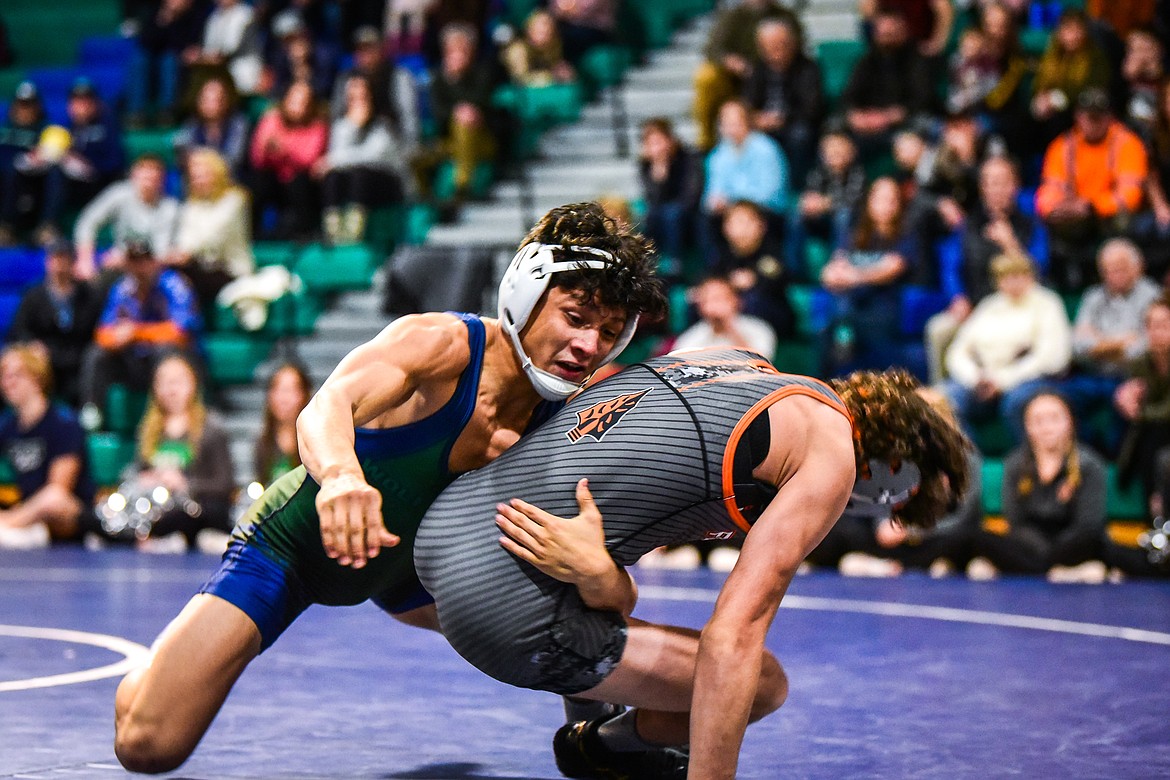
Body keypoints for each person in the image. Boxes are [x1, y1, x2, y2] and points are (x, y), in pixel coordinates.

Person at [112, 202, 667, 773]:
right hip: (293, 549)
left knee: (577, 598)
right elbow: (326, 406)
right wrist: (342, 476)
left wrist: (602, 577)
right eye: (576, 318)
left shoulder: (570, 421)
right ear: (526, 295)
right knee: (148, 746)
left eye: (607, 332)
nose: (589, 346)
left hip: (417, 578)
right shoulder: (441, 345)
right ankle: (154, 676)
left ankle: (596, 735)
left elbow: (613, 589)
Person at [415, 358, 970, 779]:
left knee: (617, 589)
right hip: (501, 609)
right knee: (764, 685)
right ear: (889, 468)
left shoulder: (739, 363)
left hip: (445, 529)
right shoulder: (831, 454)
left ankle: (588, 735)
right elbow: (732, 637)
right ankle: (600, 744)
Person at [924, 155, 1046, 383]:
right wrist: (958, 298)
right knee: (938, 330)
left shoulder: (1031, 225)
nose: (997, 189)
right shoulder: (969, 225)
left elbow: (1038, 274)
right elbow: (951, 268)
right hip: (976, 308)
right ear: (983, 188)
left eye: (1003, 182)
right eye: (991, 182)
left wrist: (1010, 244)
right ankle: (941, 400)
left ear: (1015, 186)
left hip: (1019, 310)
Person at [967, 391, 1109, 582]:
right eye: (1038, 421)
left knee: (1096, 541)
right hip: (1029, 544)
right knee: (977, 537)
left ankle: (1022, 567)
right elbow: (1016, 522)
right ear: (1026, 426)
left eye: (1054, 419)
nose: (1047, 427)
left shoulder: (1090, 465)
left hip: (1073, 545)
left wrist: (1053, 550)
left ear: (1071, 422)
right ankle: (1060, 572)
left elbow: (1088, 525)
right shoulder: (1015, 464)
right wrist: (1045, 553)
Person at [940, 252, 1072, 442]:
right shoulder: (989, 306)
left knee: (1017, 402)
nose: (1013, 282)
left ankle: (1027, 462)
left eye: (1019, 276)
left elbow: (1051, 358)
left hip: (1029, 379)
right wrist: (976, 378)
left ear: (1031, 276)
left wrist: (1002, 380)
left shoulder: (1047, 303)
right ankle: (968, 458)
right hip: (983, 380)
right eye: (1006, 277)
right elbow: (958, 352)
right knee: (944, 398)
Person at [1035, 87, 1148, 293]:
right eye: (1088, 116)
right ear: (1078, 116)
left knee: (1123, 222)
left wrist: (1091, 205)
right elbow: (1049, 189)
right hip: (1075, 217)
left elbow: (1129, 196)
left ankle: (1118, 283)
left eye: (1098, 116)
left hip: (1109, 218)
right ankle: (1065, 287)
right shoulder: (1063, 146)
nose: (1093, 122)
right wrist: (1054, 208)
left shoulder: (1127, 143)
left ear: (1109, 117)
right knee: (1049, 225)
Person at [79, 240, 202, 429]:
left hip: (179, 361)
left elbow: (180, 333)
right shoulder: (122, 289)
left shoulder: (173, 285)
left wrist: (136, 333)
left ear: (154, 262)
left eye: (144, 261)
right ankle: (93, 418)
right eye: (134, 261)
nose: (140, 268)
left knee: (165, 351)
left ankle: (169, 420)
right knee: (97, 354)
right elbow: (102, 333)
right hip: (135, 363)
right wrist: (117, 338)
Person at [127, 352, 235, 551]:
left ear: (192, 385)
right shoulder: (148, 430)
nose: (171, 390)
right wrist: (148, 479)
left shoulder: (212, 428)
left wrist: (185, 484)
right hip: (159, 507)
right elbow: (137, 472)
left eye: (177, 382)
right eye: (164, 383)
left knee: (195, 514)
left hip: (196, 506)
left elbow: (224, 484)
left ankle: (182, 536)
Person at [819, 177, 918, 376]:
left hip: (883, 308)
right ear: (869, 201)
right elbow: (830, 272)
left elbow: (892, 268)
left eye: (891, 200)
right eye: (880, 198)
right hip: (852, 304)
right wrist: (836, 275)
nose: (885, 206)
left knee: (847, 322)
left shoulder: (905, 235)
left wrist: (854, 276)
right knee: (831, 324)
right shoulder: (855, 235)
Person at [0, 343, 94, 550]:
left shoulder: (64, 423)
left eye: (16, 375)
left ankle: (8, 527)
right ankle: (20, 530)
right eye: (4, 376)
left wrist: (11, 517)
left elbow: (59, 489)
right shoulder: (7, 426)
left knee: (53, 498)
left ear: (37, 379)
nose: (7, 383)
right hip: (29, 512)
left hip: (68, 515)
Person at [6, 241, 102, 406]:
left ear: (72, 262)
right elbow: (19, 330)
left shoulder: (89, 296)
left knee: (94, 360)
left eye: (64, 259)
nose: (59, 265)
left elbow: (96, 331)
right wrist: (32, 345)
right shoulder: (33, 296)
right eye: (55, 259)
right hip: (44, 360)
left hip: (78, 360)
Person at [316, 74, 407, 245]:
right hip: (352, 183)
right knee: (333, 177)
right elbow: (339, 154)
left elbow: (373, 156)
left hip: (386, 183)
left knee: (360, 174)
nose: (357, 102)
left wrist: (332, 161)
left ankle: (352, 235)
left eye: (362, 97)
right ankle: (334, 235)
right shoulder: (342, 126)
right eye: (352, 98)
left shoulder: (384, 125)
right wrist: (353, 127)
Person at [166, 147, 254, 308]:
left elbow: (214, 235)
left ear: (218, 173)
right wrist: (178, 253)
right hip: (200, 266)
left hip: (230, 269)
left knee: (183, 277)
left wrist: (185, 252)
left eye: (205, 175)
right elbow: (185, 236)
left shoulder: (235, 199)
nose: (199, 180)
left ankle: (186, 325)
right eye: (195, 176)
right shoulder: (191, 205)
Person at [742, 17, 823, 187]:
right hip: (765, 125)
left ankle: (794, 185)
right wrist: (756, 118)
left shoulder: (808, 68)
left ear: (792, 43)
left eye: (781, 44)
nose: (775, 50)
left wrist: (780, 119)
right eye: (770, 46)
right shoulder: (759, 70)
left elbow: (811, 109)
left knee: (800, 136)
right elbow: (748, 103)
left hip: (795, 124)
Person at [73, 154, 181, 279]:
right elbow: (87, 222)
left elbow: (162, 250)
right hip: (120, 265)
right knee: (90, 280)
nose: (149, 176)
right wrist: (85, 260)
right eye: (144, 171)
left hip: (156, 269)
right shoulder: (119, 194)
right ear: (133, 174)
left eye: (155, 172)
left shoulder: (170, 207)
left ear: (162, 180)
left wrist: (133, 262)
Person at [248, 80, 329, 240]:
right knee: (258, 181)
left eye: (304, 102)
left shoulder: (317, 126)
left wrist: (283, 150)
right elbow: (258, 158)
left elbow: (309, 160)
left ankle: (302, 236)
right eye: (294, 100)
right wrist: (273, 150)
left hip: (301, 183)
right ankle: (252, 235)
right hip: (275, 179)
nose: (298, 106)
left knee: (300, 181)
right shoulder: (271, 119)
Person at [637, 117, 701, 272]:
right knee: (650, 215)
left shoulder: (688, 158)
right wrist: (659, 176)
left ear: (670, 140)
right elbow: (652, 200)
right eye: (651, 144)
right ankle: (648, 261)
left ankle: (675, 262)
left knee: (672, 214)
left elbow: (692, 195)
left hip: (688, 214)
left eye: (659, 141)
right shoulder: (646, 165)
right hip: (660, 214)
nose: (657, 148)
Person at [672, 275, 777, 358]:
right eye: (707, 300)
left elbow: (762, 364)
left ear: (736, 300)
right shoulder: (690, 338)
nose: (714, 305)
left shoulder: (759, 329)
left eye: (718, 298)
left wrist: (729, 328)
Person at [172, 76, 250, 176]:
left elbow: (234, 159)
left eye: (217, 99)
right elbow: (183, 154)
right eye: (206, 99)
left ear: (225, 101)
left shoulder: (238, 124)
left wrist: (204, 163)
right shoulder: (192, 125)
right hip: (198, 179)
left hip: (230, 180)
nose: (211, 104)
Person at [252, 361, 312, 487]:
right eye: (277, 390)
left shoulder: (315, 440)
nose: (283, 399)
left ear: (304, 394)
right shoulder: (262, 442)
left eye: (289, 391)